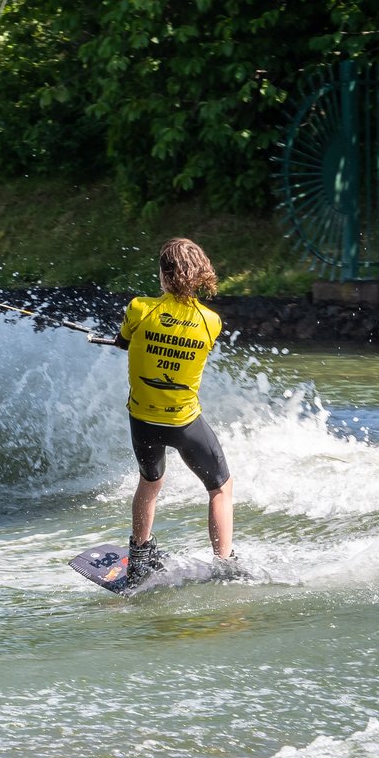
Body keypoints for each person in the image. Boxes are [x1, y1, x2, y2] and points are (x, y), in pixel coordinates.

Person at [115, 237, 230, 585]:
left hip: (143, 421)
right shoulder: (211, 322)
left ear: (165, 276)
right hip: (184, 422)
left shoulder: (139, 308)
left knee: (150, 483)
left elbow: (123, 341)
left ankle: (139, 558)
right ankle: (224, 564)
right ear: (199, 276)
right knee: (219, 488)